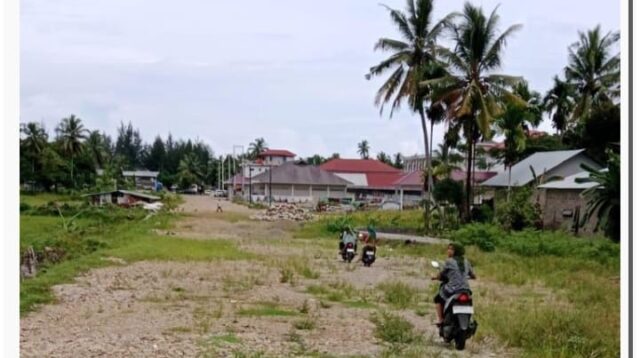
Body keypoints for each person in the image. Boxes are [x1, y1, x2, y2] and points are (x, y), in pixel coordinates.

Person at [431, 243, 476, 326]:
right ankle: (469, 320)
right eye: (448, 249)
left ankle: (440, 320)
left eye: (452, 249)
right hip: (466, 289)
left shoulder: (449, 261)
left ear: (456, 251)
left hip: (453, 288)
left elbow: (442, 274)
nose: (449, 251)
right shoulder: (466, 261)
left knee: (437, 298)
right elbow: (473, 275)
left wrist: (435, 277)